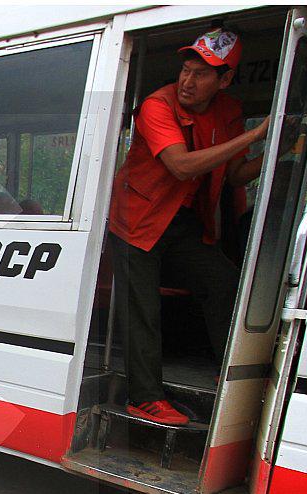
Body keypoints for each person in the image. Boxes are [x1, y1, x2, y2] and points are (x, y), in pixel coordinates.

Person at [107, 25, 269, 426]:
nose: (187, 80)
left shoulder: (228, 112)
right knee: (142, 308)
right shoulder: (156, 106)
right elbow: (180, 166)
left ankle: (229, 369)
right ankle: (145, 398)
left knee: (224, 282)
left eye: (202, 74)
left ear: (225, 79)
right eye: (186, 70)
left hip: (180, 221)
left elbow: (233, 175)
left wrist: (275, 149)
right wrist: (253, 134)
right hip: (136, 220)